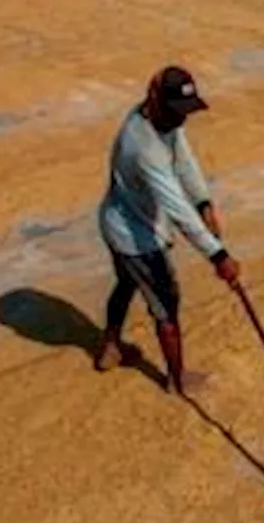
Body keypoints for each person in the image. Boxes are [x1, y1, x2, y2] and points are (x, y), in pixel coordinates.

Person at [94, 65, 241, 396]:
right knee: (166, 306)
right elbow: (177, 209)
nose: (182, 119)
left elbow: (184, 160)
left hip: (115, 221)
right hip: (137, 238)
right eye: (177, 111)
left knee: (127, 282)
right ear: (156, 100)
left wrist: (204, 202)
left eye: (185, 112)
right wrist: (218, 256)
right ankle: (177, 380)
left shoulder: (161, 117)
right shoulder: (145, 148)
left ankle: (110, 346)